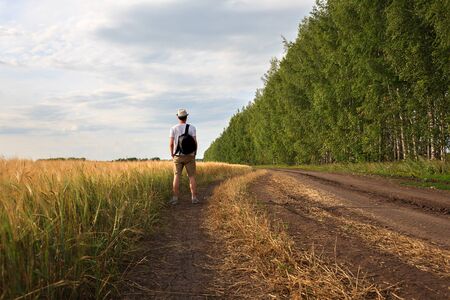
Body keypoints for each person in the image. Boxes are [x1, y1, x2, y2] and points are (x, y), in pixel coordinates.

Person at [169, 108, 198, 204]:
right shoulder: (192, 128)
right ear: (186, 117)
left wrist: (172, 154)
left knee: (176, 176)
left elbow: (171, 144)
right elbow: (195, 142)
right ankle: (194, 198)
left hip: (178, 155)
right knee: (191, 176)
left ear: (178, 117)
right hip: (190, 155)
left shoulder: (173, 128)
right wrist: (195, 153)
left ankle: (175, 198)